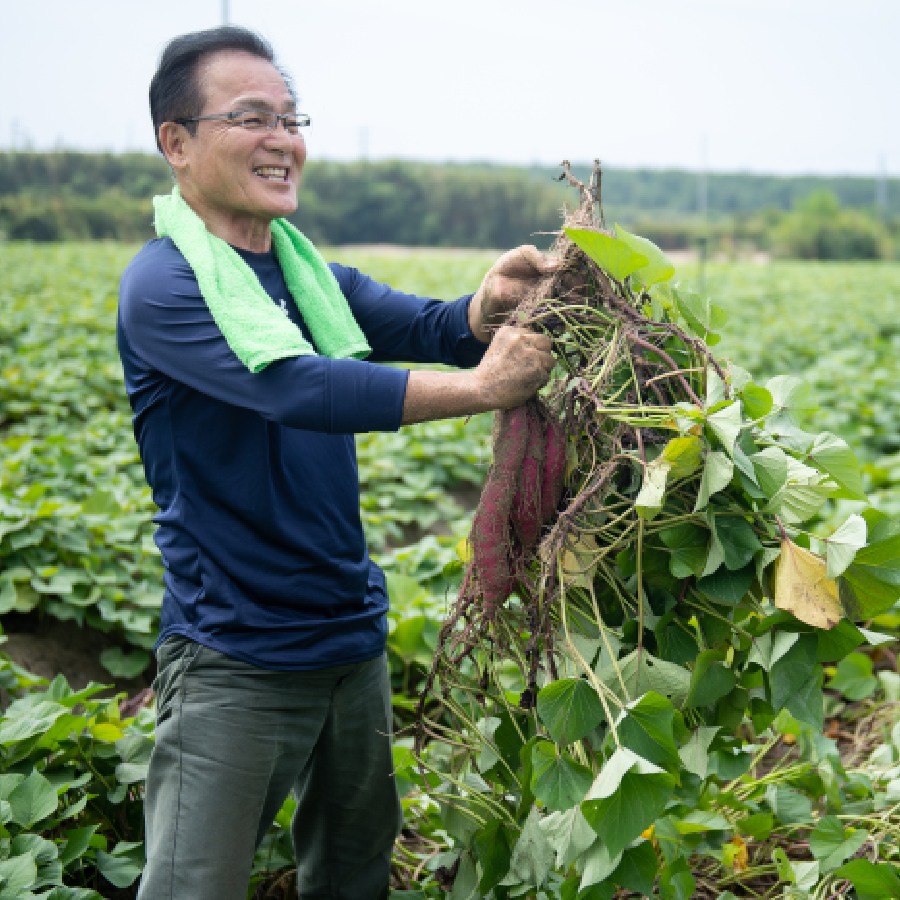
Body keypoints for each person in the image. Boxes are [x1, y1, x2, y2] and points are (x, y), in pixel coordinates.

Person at [118, 24, 556, 900]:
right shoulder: (165, 288)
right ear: (178, 143)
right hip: (235, 653)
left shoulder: (306, 275)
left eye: (291, 117)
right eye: (250, 117)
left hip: (349, 642)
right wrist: (480, 389)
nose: (283, 140)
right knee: (189, 888)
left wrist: (489, 302)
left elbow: (431, 323)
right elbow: (297, 388)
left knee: (354, 877)